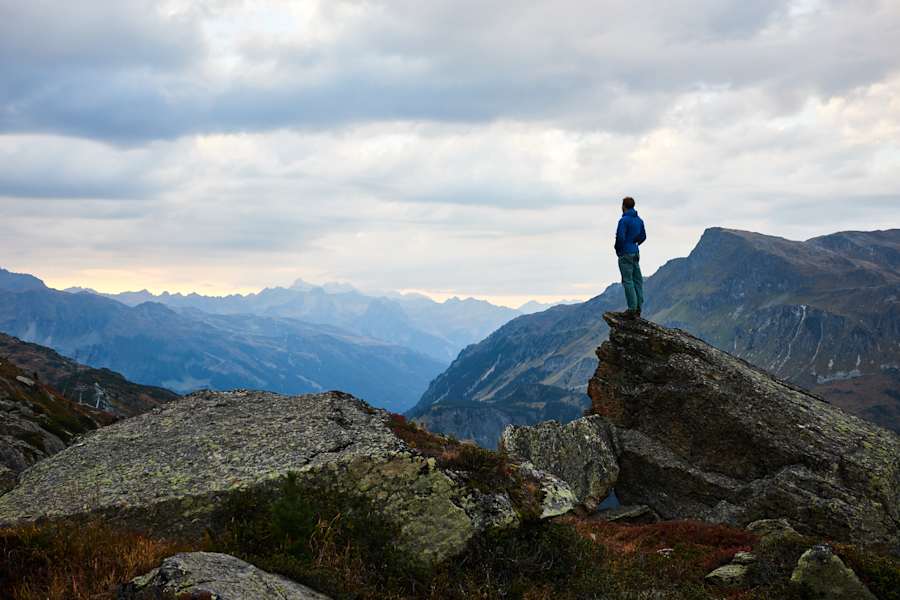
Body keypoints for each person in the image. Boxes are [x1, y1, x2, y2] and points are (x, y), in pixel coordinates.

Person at [615, 197, 646, 318]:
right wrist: (634, 243)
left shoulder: (623, 221)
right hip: (635, 252)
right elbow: (643, 237)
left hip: (625, 253)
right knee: (637, 280)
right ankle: (638, 308)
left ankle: (632, 309)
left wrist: (618, 249)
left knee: (627, 280)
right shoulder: (639, 220)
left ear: (623, 206)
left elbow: (620, 237)